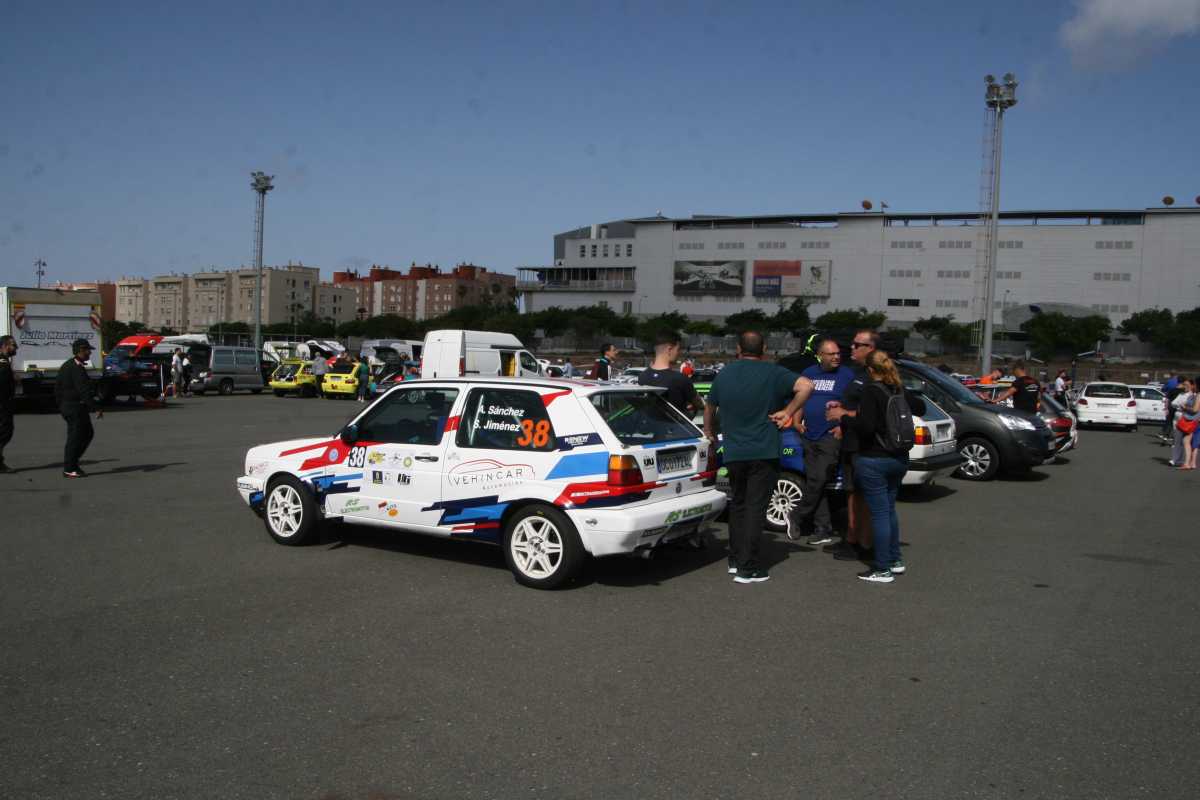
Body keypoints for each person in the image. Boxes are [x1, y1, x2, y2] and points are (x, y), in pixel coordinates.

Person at [705, 330, 805, 584]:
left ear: (738, 349)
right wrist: (788, 411)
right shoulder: (774, 372)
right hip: (764, 450)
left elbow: (709, 406)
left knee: (738, 505)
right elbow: (807, 386)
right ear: (765, 349)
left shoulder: (725, 374)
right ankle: (747, 567)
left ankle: (735, 559)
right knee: (755, 508)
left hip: (734, 451)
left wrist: (710, 431)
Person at [849, 350, 926, 583]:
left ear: (870, 370)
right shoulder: (898, 388)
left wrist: (844, 418)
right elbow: (920, 407)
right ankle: (895, 559)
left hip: (875, 458)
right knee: (889, 510)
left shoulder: (871, 390)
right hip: (899, 457)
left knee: (880, 514)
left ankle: (882, 568)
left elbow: (866, 427)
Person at [771, 338, 855, 546]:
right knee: (816, 481)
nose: (836, 357)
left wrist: (842, 426)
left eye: (838, 353)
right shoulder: (809, 373)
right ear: (820, 356)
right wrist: (796, 422)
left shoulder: (847, 375)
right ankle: (822, 528)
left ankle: (796, 514)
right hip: (808, 434)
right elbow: (802, 399)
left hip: (830, 435)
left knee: (820, 477)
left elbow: (853, 404)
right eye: (831, 354)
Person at [824, 330, 880, 562]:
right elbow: (855, 405)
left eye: (858, 345)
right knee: (852, 493)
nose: (852, 348)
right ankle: (852, 537)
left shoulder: (875, 376)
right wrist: (841, 410)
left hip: (864, 446)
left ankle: (864, 544)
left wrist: (843, 414)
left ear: (871, 349)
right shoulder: (858, 372)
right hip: (850, 442)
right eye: (853, 344)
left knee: (863, 495)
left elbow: (875, 414)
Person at [55, 338, 102, 478]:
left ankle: (73, 462)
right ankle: (69, 467)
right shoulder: (74, 367)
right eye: (88, 350)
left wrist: (61, 405)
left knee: (87, 433)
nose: (90, 353)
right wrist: (95, 407)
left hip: (73, 406)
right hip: (74, 407)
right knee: (76, 438)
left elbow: (57, 389)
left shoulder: (71, 364)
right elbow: (83, 390)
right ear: (81, 350)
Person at [638, 331, 703, 417]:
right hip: (674, 425)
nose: (679, 353)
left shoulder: (642, 377)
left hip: (649, 424)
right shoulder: (680, 379)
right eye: (678, 349)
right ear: (669, 349)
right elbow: (699, 404)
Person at [1169, 379, 1196, 468]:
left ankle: (1184, 460)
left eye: (1187, 385)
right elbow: (1173, 403)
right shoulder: (1181, 394)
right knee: (1177, 440)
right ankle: (1175, 459)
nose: (1185, 386)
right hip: (1177, 417)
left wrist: (1181, 405)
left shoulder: (1193, 395)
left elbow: (1192, 407)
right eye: (1184, 385)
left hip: (1186, 418)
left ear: (1192, 385)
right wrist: (1180, 405)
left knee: (1185, 441)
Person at [0, 335, 17, 473]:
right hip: (2, 404)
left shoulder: (4, 361)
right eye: (13, 345)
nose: (16, 347)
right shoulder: (2, 364)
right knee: (5, 432)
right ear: (5, 346)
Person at [1162, 372, 1182, 441]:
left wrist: (1166, 408)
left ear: (1171, 375)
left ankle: (1166, 434)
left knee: (1169, 421)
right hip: (1180, 407)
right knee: (1178, 422)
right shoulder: (1183, 389)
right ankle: (1176, 437)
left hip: (1171, 403)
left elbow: (1163, 389)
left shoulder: (1169, 382)